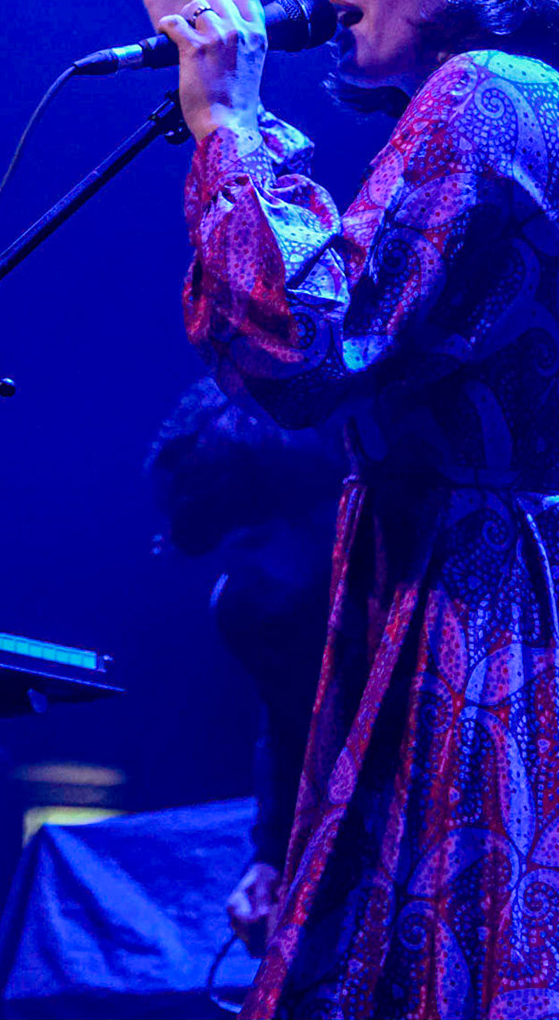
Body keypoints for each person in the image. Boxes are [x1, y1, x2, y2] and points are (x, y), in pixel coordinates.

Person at [110, 0, 559, 1018]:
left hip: (506, 636)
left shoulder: (490, 97)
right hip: (490, 613)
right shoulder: (484, 107)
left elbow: (301, 342)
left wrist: (231, 126)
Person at [145, 376, 343, 955]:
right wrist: (268, 856)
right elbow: (286, 730)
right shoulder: (248, 610)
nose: (243, 573)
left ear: (323, 507)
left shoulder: (399, 592)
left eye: (256, 542)